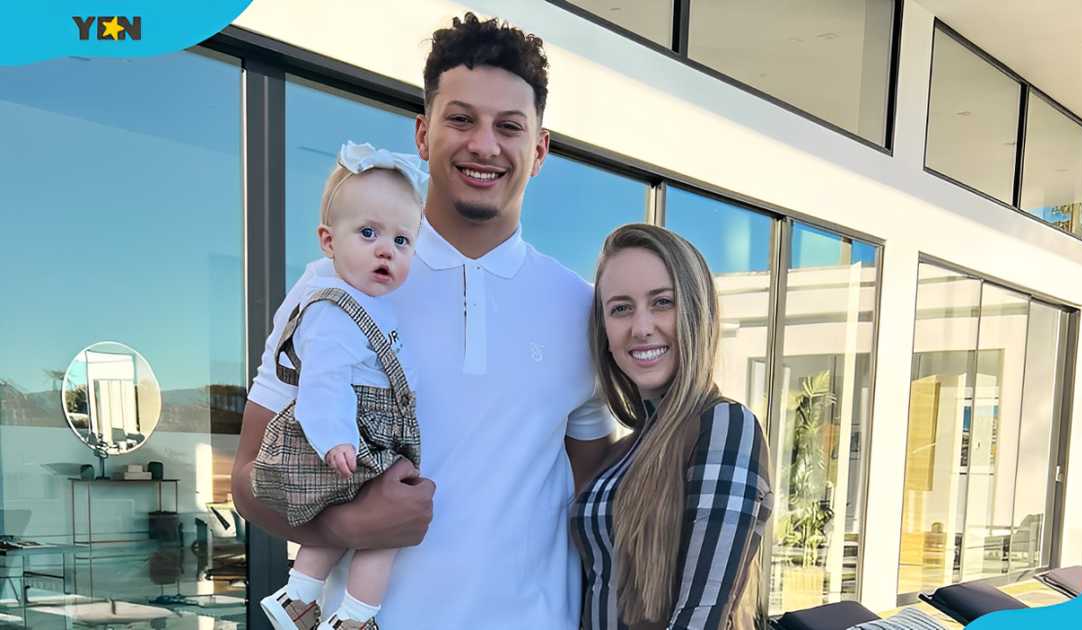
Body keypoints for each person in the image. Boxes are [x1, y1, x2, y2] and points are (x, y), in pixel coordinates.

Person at [231, 13, 614, 629]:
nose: (484, 144)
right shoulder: (334, 283)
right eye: (461, 119)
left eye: (509, 126)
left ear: (539, 149)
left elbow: (596, 500)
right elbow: (248, 477)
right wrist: (348, 524)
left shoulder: (582, 309)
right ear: (422, 133)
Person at [253, 142, 426, 630]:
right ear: (328, 241)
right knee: (387, 530)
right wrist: (335, 438)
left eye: (401, 241)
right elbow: (323, 381)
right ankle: (351, 618)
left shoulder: (373, 303)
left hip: (367, 427)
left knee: (353, 514)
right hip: (357, 432)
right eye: (368, 233)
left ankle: (299, 598)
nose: (384, 251)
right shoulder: (330, 307)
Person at [573, 224, 774, 629]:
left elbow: (701, 617)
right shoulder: (626, 449)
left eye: (662, 302)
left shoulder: (725, 426)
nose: (641, 327)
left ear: (697, 313)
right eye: (621, 308)